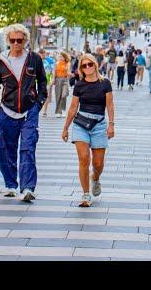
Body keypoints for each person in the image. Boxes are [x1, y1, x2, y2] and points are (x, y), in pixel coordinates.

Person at [0, 24, 47, 202]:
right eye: (12, 40)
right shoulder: (0, 61)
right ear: (8, 41)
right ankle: (10, 185)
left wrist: (38, 104)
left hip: (29, 111)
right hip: (6, 111)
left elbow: (43, 83)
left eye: (19, 40)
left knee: (28, 148)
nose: (16, 43)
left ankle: (28, 187)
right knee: (6, 149)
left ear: (25, 41)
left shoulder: (34, 59)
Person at [62, 53, 115, 207]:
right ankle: (86, 194)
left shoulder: (105, 83)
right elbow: (73, 108)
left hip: (99, 125)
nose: (87, 68)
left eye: (90, 64)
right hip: (81, 124)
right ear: (81, 68)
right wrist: (65, 128)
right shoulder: (79, 85)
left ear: (95, 65)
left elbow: (110, 105)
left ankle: (96, 178)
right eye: (84, 66)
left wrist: (111, 124)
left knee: (98, 163)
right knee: (84, 158)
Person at [52, 51, 71, 118]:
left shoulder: (67, 63)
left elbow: (68, 72)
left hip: (65, 80)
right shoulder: (56, 63)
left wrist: (68, 73)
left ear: (64, 57)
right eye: (59, 56)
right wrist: (53, 79)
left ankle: (63, 109)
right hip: (58, 79)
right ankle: (58, 111)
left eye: (61, 56)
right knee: (58, 96)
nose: (60, 58)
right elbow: (54, 72)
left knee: (64, 95)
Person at [39, 48, 55, 117]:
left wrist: (53, 79)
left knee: (46, 95)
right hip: (38, 80)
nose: (42, 56)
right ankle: (38, 108)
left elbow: (53, 70)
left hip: (47, 80)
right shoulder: (36, 60)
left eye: (43, 54)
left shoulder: (50, 60)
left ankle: (44, 111)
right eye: (41, 54)